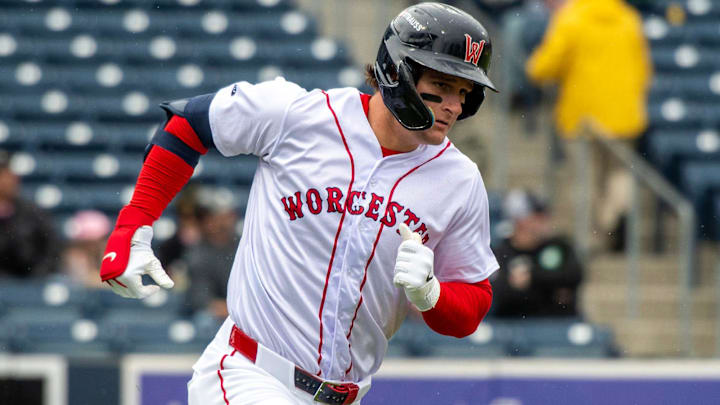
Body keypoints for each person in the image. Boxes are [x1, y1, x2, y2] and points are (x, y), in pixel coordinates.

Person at [99, 3, 498, 404]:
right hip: (250, 372)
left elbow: (473, 303)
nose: (455, 105)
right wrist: (132, 225)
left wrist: (432, 294)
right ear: (396, 71)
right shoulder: (299, 114)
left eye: (464, 92)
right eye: (442, 86)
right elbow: (188, 123)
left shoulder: (459, 181)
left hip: (347, 395)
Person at [525, 0, 652, 249]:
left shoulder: (571, 19)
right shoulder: (629, 19)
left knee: (585, 178)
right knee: (620, 173)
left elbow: (544, 66)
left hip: (583, 117)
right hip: (624, 115)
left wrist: (537, 68)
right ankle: (616, 216)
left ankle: (589, 239)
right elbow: (644, 69)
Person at [490, 189, 583, 318]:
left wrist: (532, 276)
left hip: (557, 324)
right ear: (520, 221)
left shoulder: (558, 246)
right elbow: (499, 291)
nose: (545, 220)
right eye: (538, 216)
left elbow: (573, 275)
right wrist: (551, 288)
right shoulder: (501, 252)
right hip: (514, 326)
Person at [0, 150, 59, 278]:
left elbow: (51, 251)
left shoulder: (33, 212)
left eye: (7, 175)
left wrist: (35, 279)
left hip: (30, 281)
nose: (6, 181)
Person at [185, 187, 240, 321]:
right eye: (216, 216)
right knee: (204, 319)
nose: (221, 221)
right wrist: (237, 311)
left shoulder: (244, 246)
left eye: (227, 215)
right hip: (215, 317)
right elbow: (202, 300)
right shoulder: (198, 254)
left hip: (242, 312)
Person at [61, 209, 111, 288]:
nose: (89, 246)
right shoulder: (74, 255)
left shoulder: (109, 252)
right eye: (83, 242)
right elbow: (82, 280)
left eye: (91, 242)